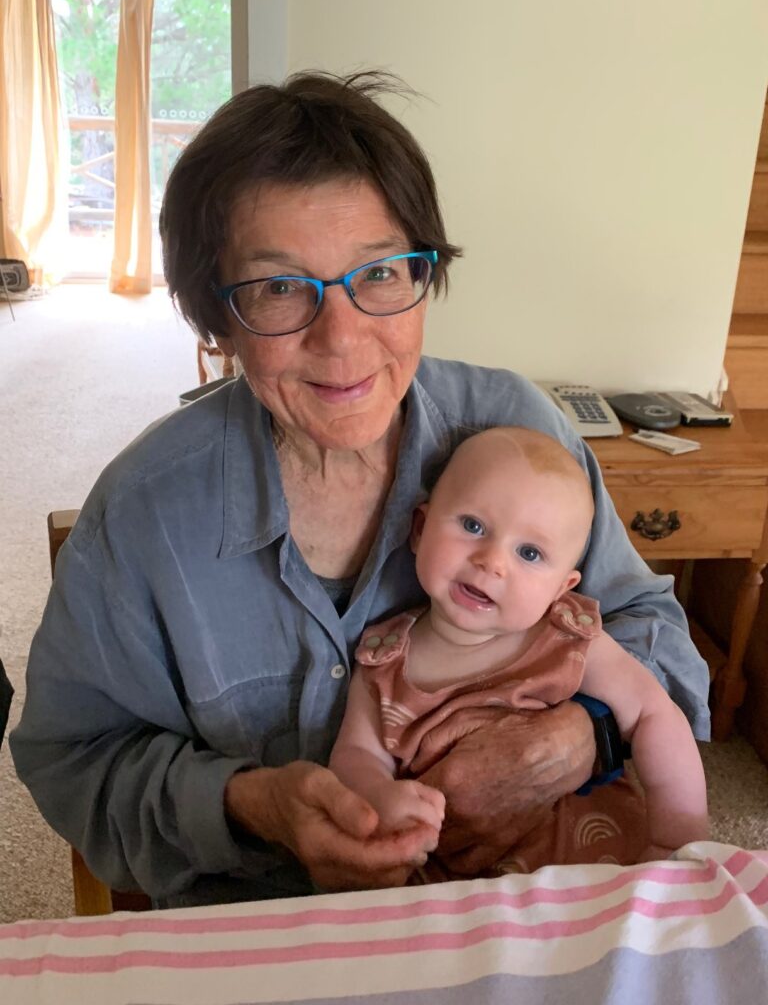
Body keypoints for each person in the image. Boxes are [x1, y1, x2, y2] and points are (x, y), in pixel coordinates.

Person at [11, 72, 710, 907]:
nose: (341, 342)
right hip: (265, 921)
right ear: (214, 322)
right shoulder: (144, 517)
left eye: (379, 275)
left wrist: (583, 733)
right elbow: (75, 762)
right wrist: (252, 805)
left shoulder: (518, 433)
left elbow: (650, 632)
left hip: (527, 902)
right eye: (278, 288)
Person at [330, 427, 709, 874]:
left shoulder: (564, 638)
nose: (492, 561)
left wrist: (674, 842)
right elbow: (355, 755)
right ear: (420, 528)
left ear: (560, 588)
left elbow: (654, 715)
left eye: (529, 553)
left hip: (598, 871)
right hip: (463, 891)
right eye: (473, 526)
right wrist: (378, 793)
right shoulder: (383, 660)